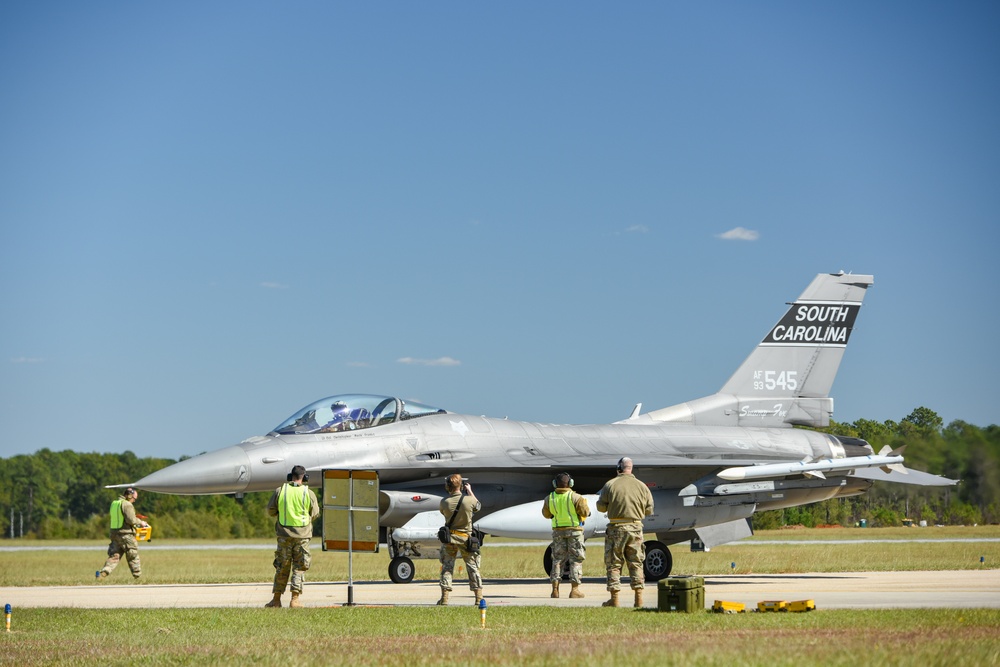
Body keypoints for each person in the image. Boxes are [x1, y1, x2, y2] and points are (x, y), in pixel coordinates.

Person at [596, 457, 654, 607]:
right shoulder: (642, 486)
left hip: (616, 529)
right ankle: (638, 599)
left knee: (614, 563)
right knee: (636, 563)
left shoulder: (610, 485)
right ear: (631, 468)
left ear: (619, 468)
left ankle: (614, 599)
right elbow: (649, 509)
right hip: (635, 529)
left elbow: (601, 507)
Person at [264, 465, 320, 608]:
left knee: (282, 566)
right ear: (304, 477)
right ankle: (295, 600)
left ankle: (276, 600)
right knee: (299, 567)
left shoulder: (280, 491)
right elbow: (315, 513)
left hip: (284, 535)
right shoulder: (309, 493)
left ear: (290, 476)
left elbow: (270, 510)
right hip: (302, 536)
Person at [541, 472, 590, 599]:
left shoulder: (549, 498)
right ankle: (574, 590)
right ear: (571, 483)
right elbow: (586, 511)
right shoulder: (576, 497)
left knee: (557, 560)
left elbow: (546, 514)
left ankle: (555, 590)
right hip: (575, 532)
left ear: (554, 484)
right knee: (575, 560)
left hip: (558, 532)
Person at [437, 473, 483, 606]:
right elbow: (478, 506)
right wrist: (470, 492)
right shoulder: (469, 500)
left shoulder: (444, 502)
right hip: (466, 539)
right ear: (461, 486)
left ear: (448, 486)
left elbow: (443, 512)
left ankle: (444, 598)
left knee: (447, 567)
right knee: (472, 567)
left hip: (450, 539)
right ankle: (478, 597)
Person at [96, 487, 148, 580]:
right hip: (126, 535)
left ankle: (102, 574)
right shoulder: (127, 504)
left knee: (114, 556)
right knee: (133, 554)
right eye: (134, 499)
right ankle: (138, 577)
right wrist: (141, 522)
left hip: (115, 535)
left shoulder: (115, 503)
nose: (134, 501)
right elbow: (131, 520)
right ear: (129, 496)